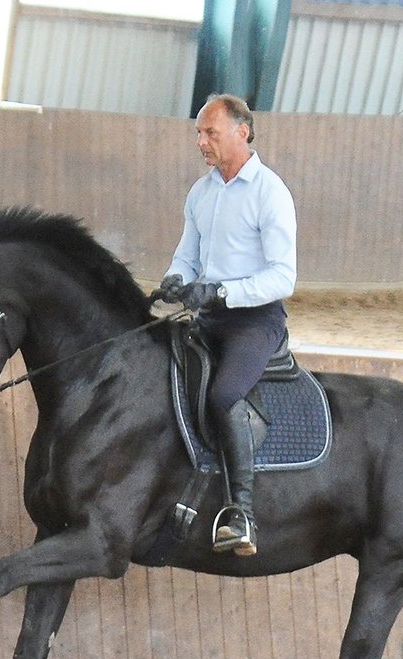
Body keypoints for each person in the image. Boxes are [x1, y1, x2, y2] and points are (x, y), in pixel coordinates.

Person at [155, 93, 297, 557]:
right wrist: (176, 280)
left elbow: (283, 277)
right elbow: (187, 254)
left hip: (254, 322)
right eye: (199, 133)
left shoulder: (270, 193)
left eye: (209, 132)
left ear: (243, 132)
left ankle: (243, 514)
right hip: (208, 315)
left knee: (222, 394)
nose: (201, 142)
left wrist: (220, 292)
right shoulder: (201, 192)